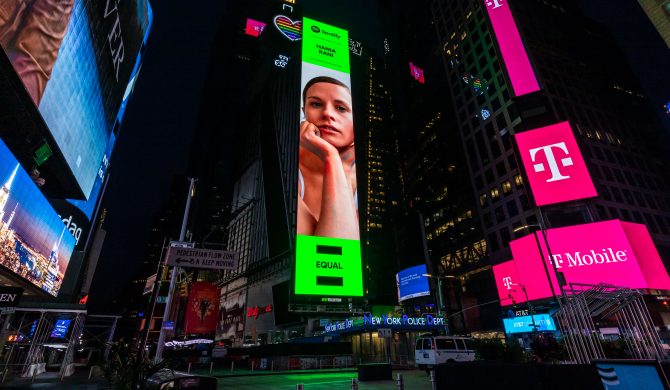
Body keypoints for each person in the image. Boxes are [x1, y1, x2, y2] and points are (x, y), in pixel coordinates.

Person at [298, 76, 359, 240]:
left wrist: (344, 168)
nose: (327, 114)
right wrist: (332, 157)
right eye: (316, 104)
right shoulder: (289, 168)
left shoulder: (368, 181)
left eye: (341, 108)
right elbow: (328, 252)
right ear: (304, 112)